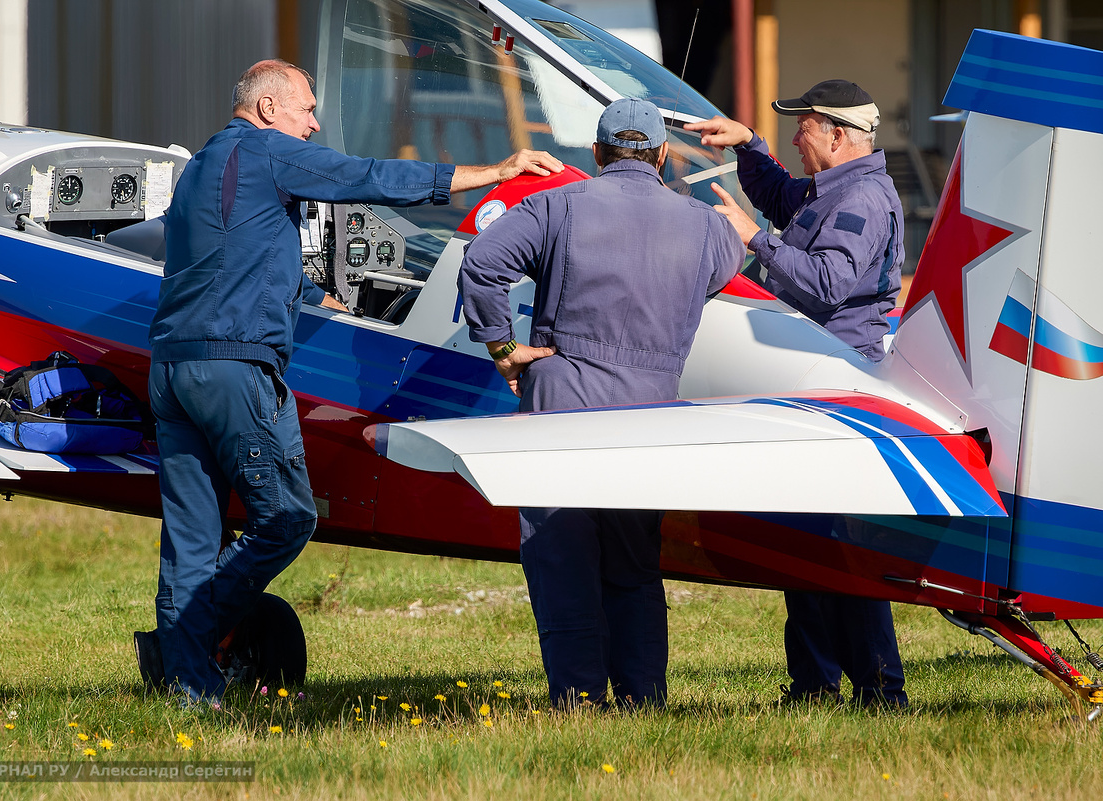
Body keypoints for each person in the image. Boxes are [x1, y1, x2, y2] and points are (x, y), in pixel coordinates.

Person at [140, 58, 564, 704]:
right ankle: (188, 643)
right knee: (285, 519)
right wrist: (493, 173)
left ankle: (188, 688)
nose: (313, 123)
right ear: (268, 110)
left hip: (172, 369)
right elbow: (365, 177)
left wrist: (308, 293)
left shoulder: (203, 165)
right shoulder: (267, 151)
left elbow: (228, 254)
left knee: (191, 541)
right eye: (307, 109)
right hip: (234, 367)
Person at [459, 98, 744, 709]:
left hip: (563, 399)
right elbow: (719, 273)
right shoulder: (708, 227)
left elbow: (481, 263)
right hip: (650, 408)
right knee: (635, 566)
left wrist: (505, 348)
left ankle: (578, 700)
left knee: (562, 562)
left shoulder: (557, 204)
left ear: (597, 154)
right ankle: (643, 698)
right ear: (663, 156)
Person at [686, 79, 907, 707]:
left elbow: (827, 284)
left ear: (837, 135)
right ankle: (816, 686)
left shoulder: (861, 197)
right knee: (810, 545)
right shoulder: (838, 187)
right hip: (812, 377)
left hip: (834, 384)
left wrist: (750, 237)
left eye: (802, 127)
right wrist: (749, 145)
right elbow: (787, 201)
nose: (794, 136)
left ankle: (878, 691)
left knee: (839, 550)